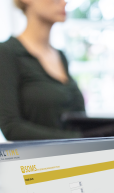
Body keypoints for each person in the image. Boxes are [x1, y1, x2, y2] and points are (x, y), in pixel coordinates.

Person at [0, 0, 85, 140]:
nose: (64, 2)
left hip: (75, 158)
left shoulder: (61, 56)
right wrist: (80, 138)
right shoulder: (7, 53)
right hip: (39, 160)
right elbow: (11, 127)